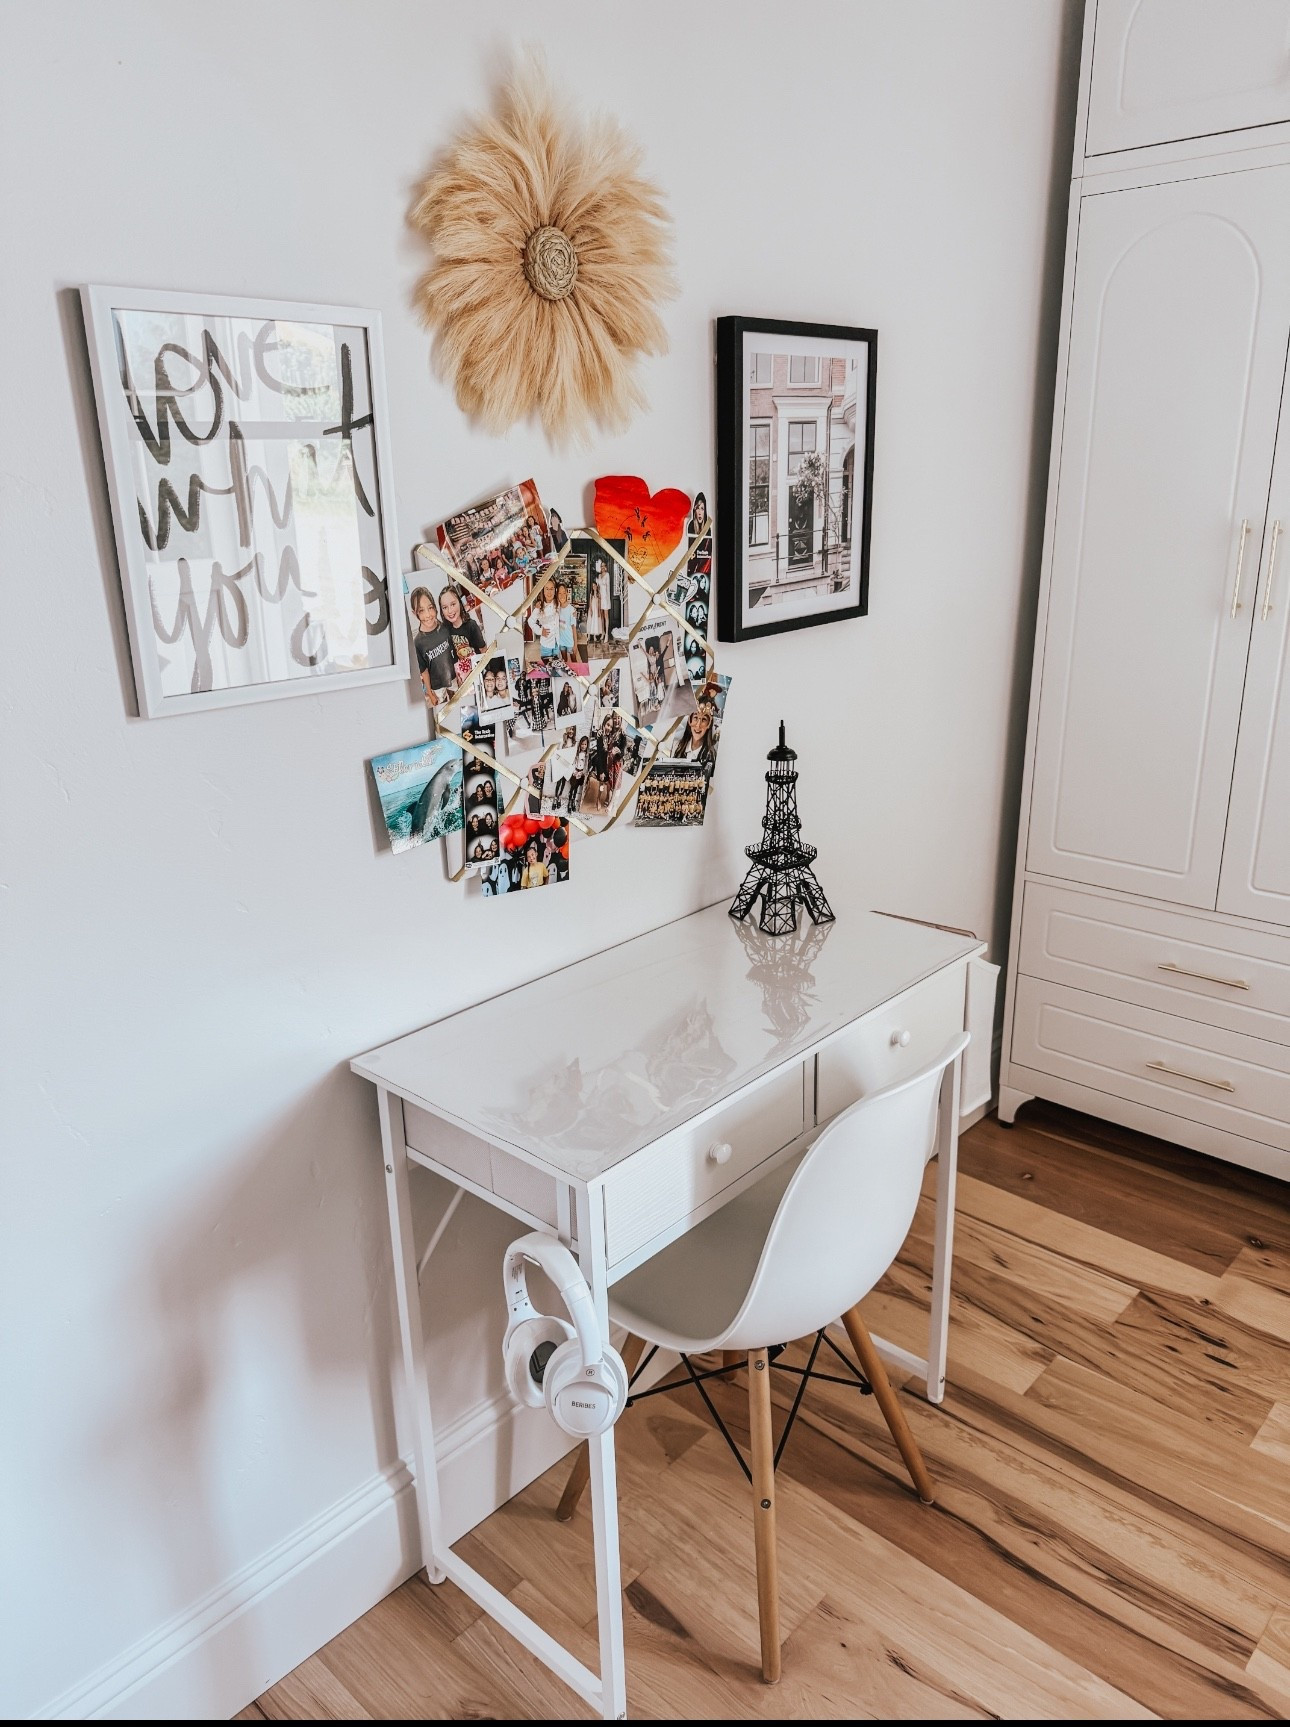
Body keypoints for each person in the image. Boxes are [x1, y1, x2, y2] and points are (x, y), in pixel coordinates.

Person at [409, 587, 456, 706]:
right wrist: (430, 693)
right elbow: (424, 672)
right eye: (421, 611)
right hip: (438, 689)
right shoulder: (417, 642)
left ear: (435, 607)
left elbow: (455, 652)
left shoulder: (445, 628)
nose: (428, 614)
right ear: (415, 613)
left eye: (430, 608)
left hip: (455, 679)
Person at [672, 699, 718, 773]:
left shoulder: (712, 755)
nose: (698, 725)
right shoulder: (676, 746)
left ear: (709, 724)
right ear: (690, 720)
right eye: (695, 718)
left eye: (703, 720)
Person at [534, 575, 560, 663]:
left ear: (555, 590)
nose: (549, 592)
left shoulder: (558, 604)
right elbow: (531, 621)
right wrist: (540, 631)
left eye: (552, 589)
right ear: (543, 591)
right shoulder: (539, 606)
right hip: (546, 644)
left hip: (557, 643)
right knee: (547, 670)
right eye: (547, 589)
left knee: (557, 669)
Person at [556, 580, 577, 660]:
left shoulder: (571, 609)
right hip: (561, 642)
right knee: (564, 661)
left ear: (567, 594)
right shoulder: (556, 609)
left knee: (574, 660)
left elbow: (574, 628)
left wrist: (575, 645)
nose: (562, 595)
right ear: (557, 595)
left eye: (564, 593)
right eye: (559, 593)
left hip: (570, 642)